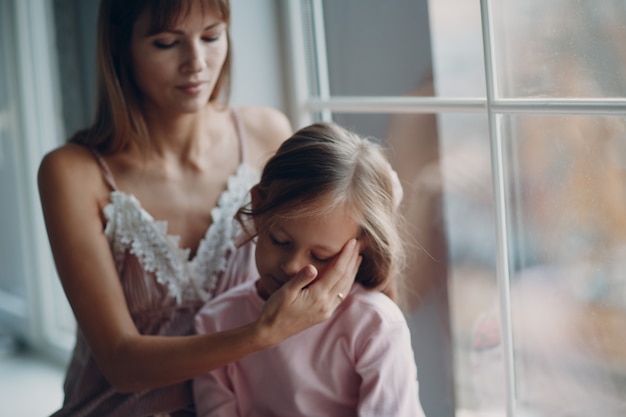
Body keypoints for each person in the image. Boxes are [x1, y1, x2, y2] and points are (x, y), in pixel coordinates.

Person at [37, 1, 357, 416]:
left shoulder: (267, 133)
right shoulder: (72, 173)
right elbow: (120, 364)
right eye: (167, 43)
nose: (196, 63)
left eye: (211, 36)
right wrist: (263, 333)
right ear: (120, 47)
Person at [193, 122, 426, 417]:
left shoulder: (374, 326)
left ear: (359, 247)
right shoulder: (216, 323)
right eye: (280, 240)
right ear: (259, 207)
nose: (292, 266)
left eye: (320, 256)